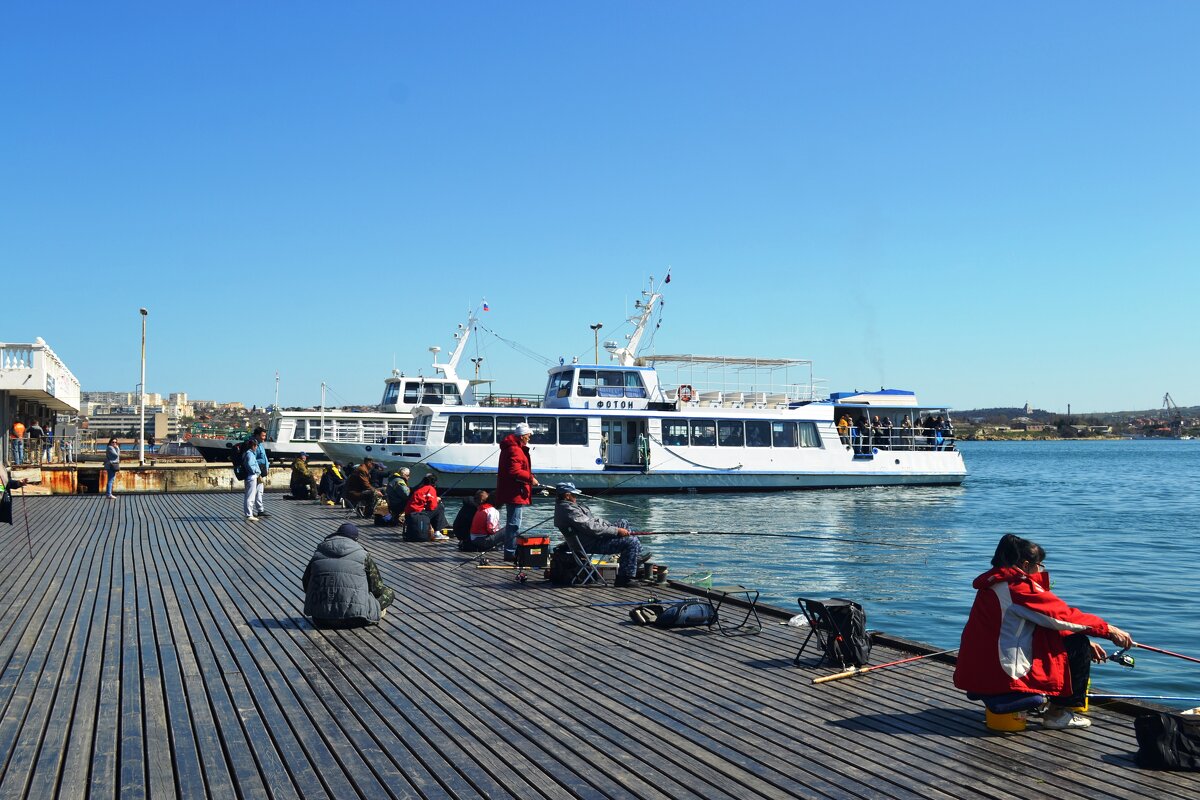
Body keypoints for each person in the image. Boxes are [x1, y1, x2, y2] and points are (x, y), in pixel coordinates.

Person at [953, 533, 1134, 730]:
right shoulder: (1017, 587)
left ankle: (1051, 703)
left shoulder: (994, 583)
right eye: (1039, 565)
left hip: (980, 669)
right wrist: (1108, 629)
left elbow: (1039, 623)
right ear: (1025, 564)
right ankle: (1058, 714)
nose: (1040, 570)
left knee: (1076, 640)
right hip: (1003, 672)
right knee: (1078, 644)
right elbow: (1062, 617)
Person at [553, 482, 651, 588]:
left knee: (623, 522)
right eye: (574, 495)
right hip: (591, 543)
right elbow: (591, 528)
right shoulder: (569, 511)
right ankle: (624, 578)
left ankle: (635, 559)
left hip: (588, 538)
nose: (576, 497)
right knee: (632, 542)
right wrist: (616, 531)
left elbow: (590, 525)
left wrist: (613, 527)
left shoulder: (564, 507)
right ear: (567, 495)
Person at [302, 522, 394, 628]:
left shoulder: (318, 553)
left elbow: (306, 583)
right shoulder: (363, 555)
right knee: (389, 593)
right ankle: (374, 611)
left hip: (320, 619)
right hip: (355, 619)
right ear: (355, 540)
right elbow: (377, 589)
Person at [494, 421, 539, 560]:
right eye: (528, 435)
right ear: (522, 436)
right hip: (515, 492)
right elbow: (514, 471)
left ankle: (511, 551)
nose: (529, 438)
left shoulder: (511, 448)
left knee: (513, 522)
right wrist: (530, 479)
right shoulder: (515, 449)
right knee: (514, 524)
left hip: (512, 490)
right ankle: (510, 553)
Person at [403, 473, 449, 541]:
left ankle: (433, 528)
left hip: (409, 515)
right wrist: (436, 500)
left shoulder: (419, 487)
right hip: (417, 514)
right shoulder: (430, 489)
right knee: (440, 507)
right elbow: (432, 507)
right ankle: (437, 532)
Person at [242, 434, 264, 521]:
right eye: (256, 446)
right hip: (252, 476)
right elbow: (251, 466)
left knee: (248, 495)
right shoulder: (250, 454)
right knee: (250, 496)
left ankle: (248, 513)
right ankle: (249, 514)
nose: (257, 448)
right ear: (253, 446)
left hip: (249, 476)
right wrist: (257, 472)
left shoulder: (247, 453)